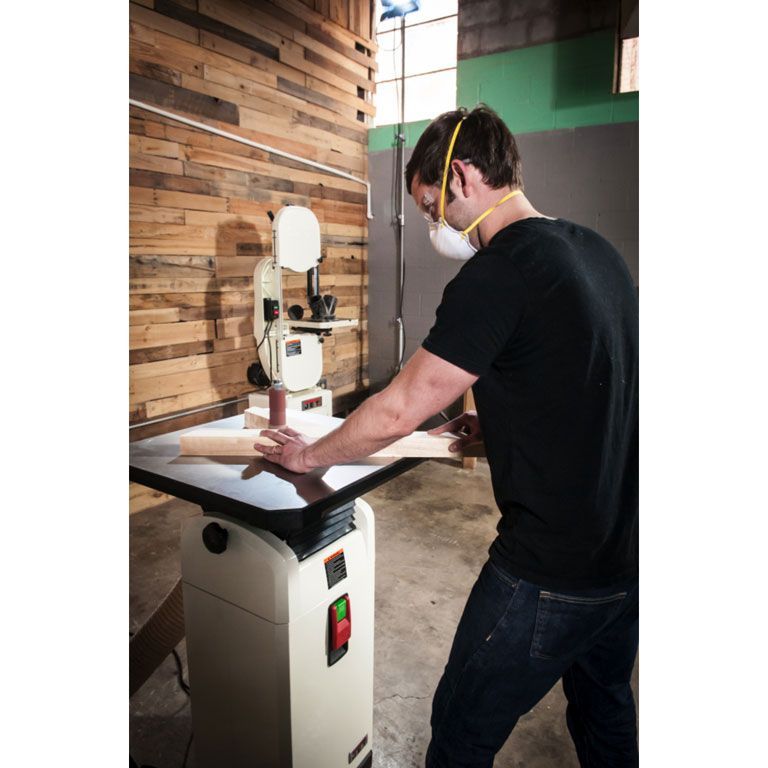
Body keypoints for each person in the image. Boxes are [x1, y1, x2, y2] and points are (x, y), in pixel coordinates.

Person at [259, 105, 639, 768]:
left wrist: (308, 454)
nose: (434, 224)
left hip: (549, 572)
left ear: (462, 176)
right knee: (604, 712)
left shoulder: (500, 272)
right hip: (627, 561)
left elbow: (399, 410)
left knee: (461, 732)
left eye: (428, 205)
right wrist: (500, 423)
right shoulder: (595, 252)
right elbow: (599, 387)